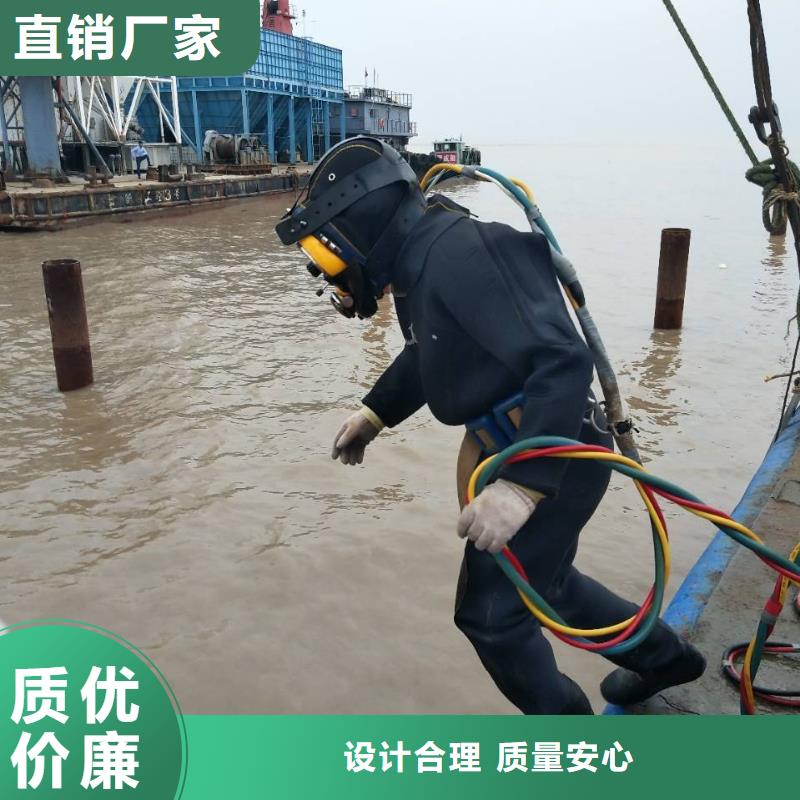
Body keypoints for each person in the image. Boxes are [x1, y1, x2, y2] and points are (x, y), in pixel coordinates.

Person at [276, 136, 706, 714]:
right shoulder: (421, 258)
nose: (330, 273)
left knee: (491, 619)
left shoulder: (464, 255)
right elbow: (431, 350)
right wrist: (375, 414)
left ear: (363, 224)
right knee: (549, 584)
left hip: (556, 449)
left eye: (327, 254)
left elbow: (564, 361)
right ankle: (667, 660)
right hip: (520, 445)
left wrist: (523, 487)